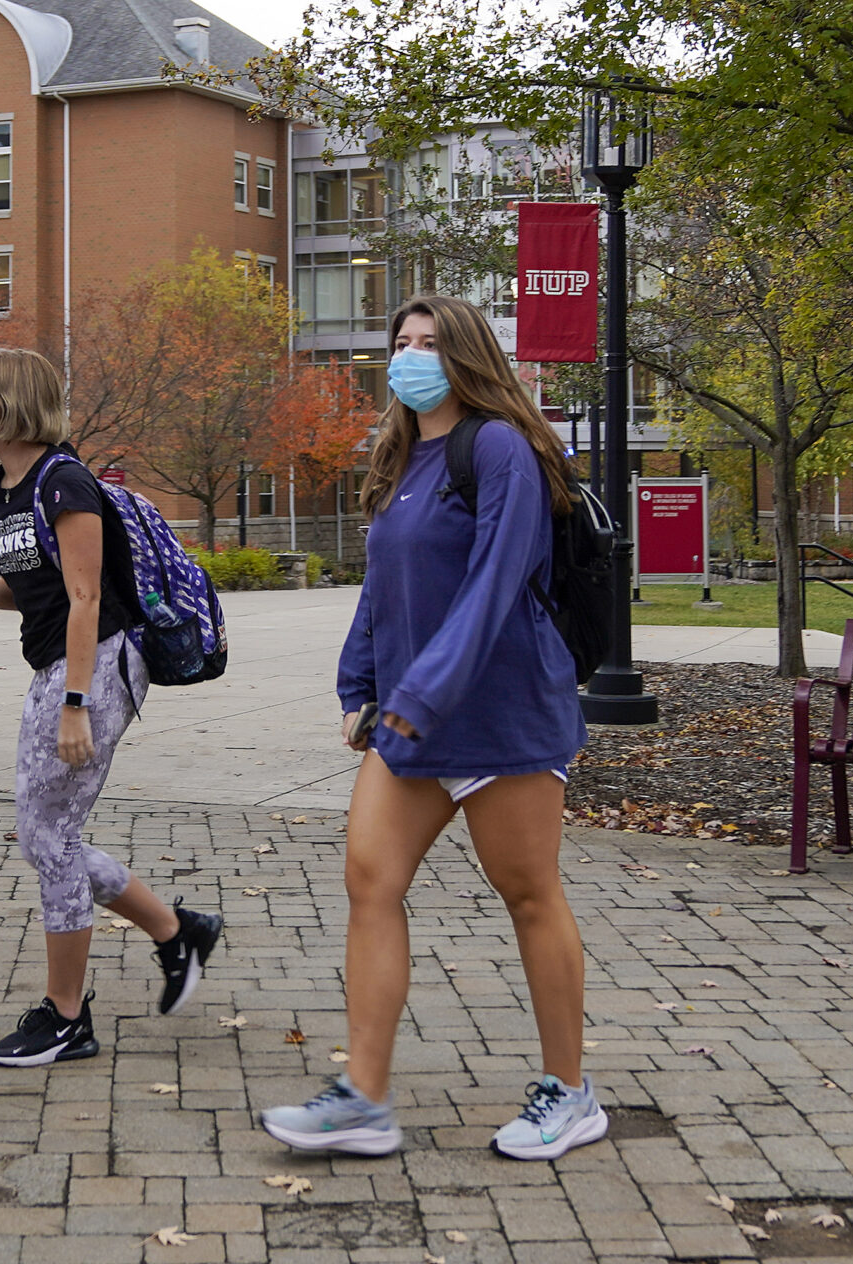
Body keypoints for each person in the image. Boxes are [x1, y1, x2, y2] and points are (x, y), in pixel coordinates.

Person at [259, 294, 599, 1163]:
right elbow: (382, 589)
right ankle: (363, 1099)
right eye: (401, 342)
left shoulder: (500, 448)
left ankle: (570, 1093)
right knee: (370, 882)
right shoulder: (402, 456)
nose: (410, 357)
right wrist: (360, 685)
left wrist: (427, 690)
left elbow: (496, 582)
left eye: (430, 343)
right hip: (413, 719)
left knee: (529, 894)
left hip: (501, 713)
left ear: (467, 356)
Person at [0, 348, 221, 1067]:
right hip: (57, 664)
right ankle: (179, 932)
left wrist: (75, 704)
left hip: (97, 665)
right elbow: (29, 588)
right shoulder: (1, 491)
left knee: (50, 837)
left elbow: (86, 595)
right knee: (47, 834)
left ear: (15, 401)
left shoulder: (64, 481)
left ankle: (67, 1016)